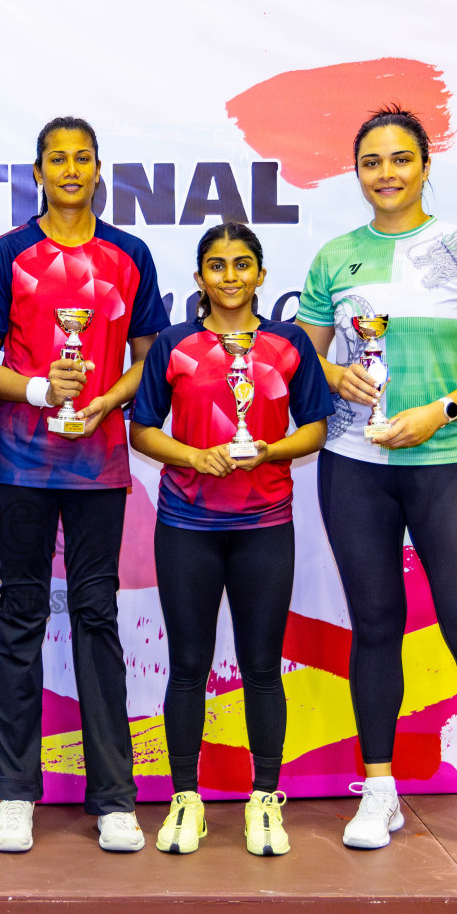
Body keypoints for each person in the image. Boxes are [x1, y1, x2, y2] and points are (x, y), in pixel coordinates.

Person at [295, 105, 457, 866]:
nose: (387, 174)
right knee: (376, 626)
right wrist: (330, 373)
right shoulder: (334, 258)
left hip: (445, 461)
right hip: (354, 466)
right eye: (373, 161)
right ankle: (378, 791)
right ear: (358, 172)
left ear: (424, 167)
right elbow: (301, 357)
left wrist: (438, 412)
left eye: (401, 159)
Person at [0, 117, 170, 853]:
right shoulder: (9, 254)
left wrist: (102, 402)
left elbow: (154, 358)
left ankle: (113, 797)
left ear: (98, 169)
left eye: (84, 157)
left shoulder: (129, 254)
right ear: (39, 171)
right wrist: (42, 392)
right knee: (20, 621)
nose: (72, 169)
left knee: (97, 620)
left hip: (99, 465)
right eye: (59, 159)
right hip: (21, 462)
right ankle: (15, 793)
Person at [130, 223, 331, 856]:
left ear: (262, 275)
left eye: (243, 264)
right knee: (187, 668)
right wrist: (194, 456)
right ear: (198, 279)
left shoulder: (288, 344)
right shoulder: (173, 344)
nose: (230, 276)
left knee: (262, 667)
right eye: (216, 266)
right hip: (187, 525)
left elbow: (317, 429)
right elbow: (141, 431)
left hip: (265, 526)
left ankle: (265, 800)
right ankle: (184, 799)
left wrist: (267, 449)